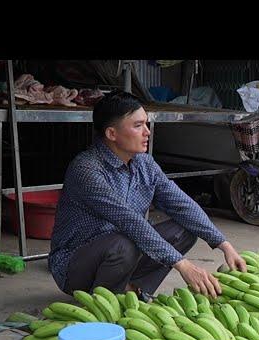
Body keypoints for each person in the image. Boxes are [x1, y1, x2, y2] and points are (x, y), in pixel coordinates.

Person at [49, 91, 246, 299]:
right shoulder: (87, 170)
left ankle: (134, 290)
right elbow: (130, 221)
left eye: (146, 124)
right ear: (111, 134)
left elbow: (181, 204)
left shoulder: (144, 164)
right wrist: (183, 265)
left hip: (124, 250)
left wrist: (224, 245)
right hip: (76, 266)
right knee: (122, 245)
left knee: (184, 228)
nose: (147, 132)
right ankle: (105, 301)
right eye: (137, 126)